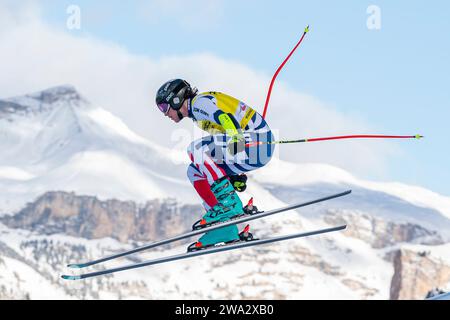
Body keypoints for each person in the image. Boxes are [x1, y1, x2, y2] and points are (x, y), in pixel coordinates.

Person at [155, 79, 275, 251]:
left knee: (195, 149)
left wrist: (235, 138)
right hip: (250, 148)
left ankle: (228, 205)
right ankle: (225, 228)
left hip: (257, 141)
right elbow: (220, 147)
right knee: (195, 171)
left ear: (176, 99)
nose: (165, 113)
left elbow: (225, 118)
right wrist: (235, 176)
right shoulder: (197, 116)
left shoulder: (199, 103)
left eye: (164, 107)